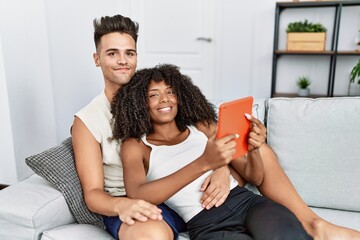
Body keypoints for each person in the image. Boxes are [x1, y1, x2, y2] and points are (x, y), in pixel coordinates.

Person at [72, 13, 360, 240]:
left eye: (129, 53)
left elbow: (215, 140)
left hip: (220, 193)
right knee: (153, 231)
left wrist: (220, 167)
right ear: (97, 59)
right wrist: (123, 205)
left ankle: (312, 223)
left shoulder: (172, 108)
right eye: (112, 53)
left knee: (258, 150)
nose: (122, 60)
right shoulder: (91, 122)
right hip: (148, 200)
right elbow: (97, 193)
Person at [110, 64, 312, 239]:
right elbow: (137, 193)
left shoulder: (201, 127)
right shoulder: (136, 145)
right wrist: (205, 164)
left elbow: (255, 176)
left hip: (246, 203)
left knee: (290, 235)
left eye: (170, 92)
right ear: (138, 104)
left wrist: (254, 149)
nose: (165, 99)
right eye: (153, 95)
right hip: (207, 223)